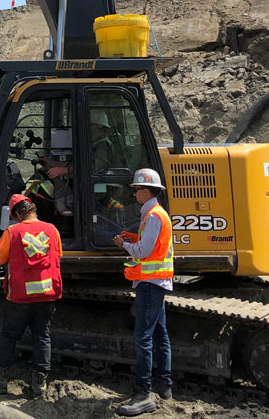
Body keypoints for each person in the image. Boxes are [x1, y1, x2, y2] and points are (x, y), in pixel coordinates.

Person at [0, 193, 63, 399]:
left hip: (20, 297)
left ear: (17, 214)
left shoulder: (13, 232)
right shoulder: (52, 230)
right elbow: (59, 254)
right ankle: (39, 385)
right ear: (33, 209)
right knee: (42, 337)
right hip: (46, 295)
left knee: (9, 335)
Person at [112, 168, 173, 416]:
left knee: (143, 338)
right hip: (155, 282)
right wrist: (131, 238)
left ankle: (143, 394)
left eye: (136, 189)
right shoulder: (154, 215)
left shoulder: (155, 216)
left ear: (146, 191)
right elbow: (151, 246)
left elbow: (144, 252)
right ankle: (165, 386)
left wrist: (123, 244)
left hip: (151, 284)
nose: (134, 193)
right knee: (160, 334)